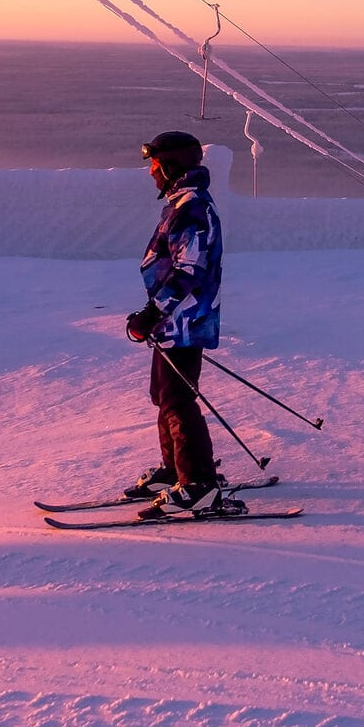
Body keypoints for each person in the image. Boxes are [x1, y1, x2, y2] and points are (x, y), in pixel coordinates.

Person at [123, 129, 225, 515]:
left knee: (178, 399)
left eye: (154, 165)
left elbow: (188, 270)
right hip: (173, 320)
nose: (151, 172)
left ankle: (199, 485)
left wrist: (153, 313)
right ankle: (176, 471)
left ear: (171, 166)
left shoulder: (191, 207)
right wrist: (154, 313)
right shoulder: (182, 202)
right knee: (164, 396)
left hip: (186, 319)